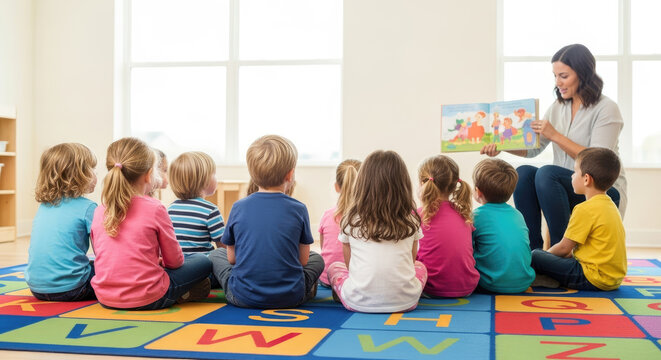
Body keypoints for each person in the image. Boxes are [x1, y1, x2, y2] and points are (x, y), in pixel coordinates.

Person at [481, 44, 627, 250]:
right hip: (564, 184)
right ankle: (532, 251)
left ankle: (559, 254)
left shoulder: (607, 109)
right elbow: (533, 149)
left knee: (547, 173)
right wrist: (502, 147)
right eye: (555, 76)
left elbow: (598, 161)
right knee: (523, 173)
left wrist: (555, 135)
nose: (558, 82)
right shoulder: (558, 108)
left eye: (564, 76)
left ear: (583, 75)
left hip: (602, 189)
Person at [91, 137, 212, 310]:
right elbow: (174, 262)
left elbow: (103, 254)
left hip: (105, 298)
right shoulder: (155, 208)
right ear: (148, 174)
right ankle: (182, 293)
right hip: (150, 297)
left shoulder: (99, 210)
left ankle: (184, 292)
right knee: (203, 261)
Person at [208, 135, 324, 308]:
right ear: (290, 174)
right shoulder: (299, 209)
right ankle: (306, 289)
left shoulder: (238, 207)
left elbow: (232, 259)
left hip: (242, 297)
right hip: (291, 297)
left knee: (216, 254)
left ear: (252, 175)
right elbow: (303, 261)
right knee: (317, 259)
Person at [327, 150, 428, 313]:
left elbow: (349, 262)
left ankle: (342, 294)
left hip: (357, 300)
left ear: (362, 184)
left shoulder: (350, 219)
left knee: (334, 267)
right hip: (407, 301)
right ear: (403, 185)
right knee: (420, 266)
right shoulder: (411, 220)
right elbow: (411, 259)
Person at [531, 148, 626, 290]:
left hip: (590, 278)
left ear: (587, 179)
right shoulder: (610, 205)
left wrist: (544, 258)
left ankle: (544, 276)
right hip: (613, 280)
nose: (571, 176)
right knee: (563, 257)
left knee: (536, 255)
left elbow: (563, 248)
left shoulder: (584, 209)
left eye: (575, 172)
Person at [25, 143, 98, 301]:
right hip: (73, 288)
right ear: (77, 174)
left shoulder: (44, 206)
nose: (95, 173)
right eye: (91, 168)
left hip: (37, 288)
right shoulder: (88, 207)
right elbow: (104, 250)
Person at [416, 155, 479, 297]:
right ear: (454, 185)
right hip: (467, 286)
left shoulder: (418, 215)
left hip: (430, 288)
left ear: (422, 183)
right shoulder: (464, 214)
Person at [472, 158, 535, 293]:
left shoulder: (475, 216)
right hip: (523, 283)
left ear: (478, 192)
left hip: (489, 284)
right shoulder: (518, 214)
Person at [167, 151, 225, 254]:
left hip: (176, 266)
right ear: (204, 180)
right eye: (214, 174)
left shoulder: (170, 209)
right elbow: (223, 247)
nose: (217, 178)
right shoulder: (210, 210)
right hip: (202, 266)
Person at [318, 159, 361, 287]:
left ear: (336, 186)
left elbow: (323, 247)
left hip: (327, 279)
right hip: (357, 280)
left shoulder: (327, 215)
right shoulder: (368, 218)